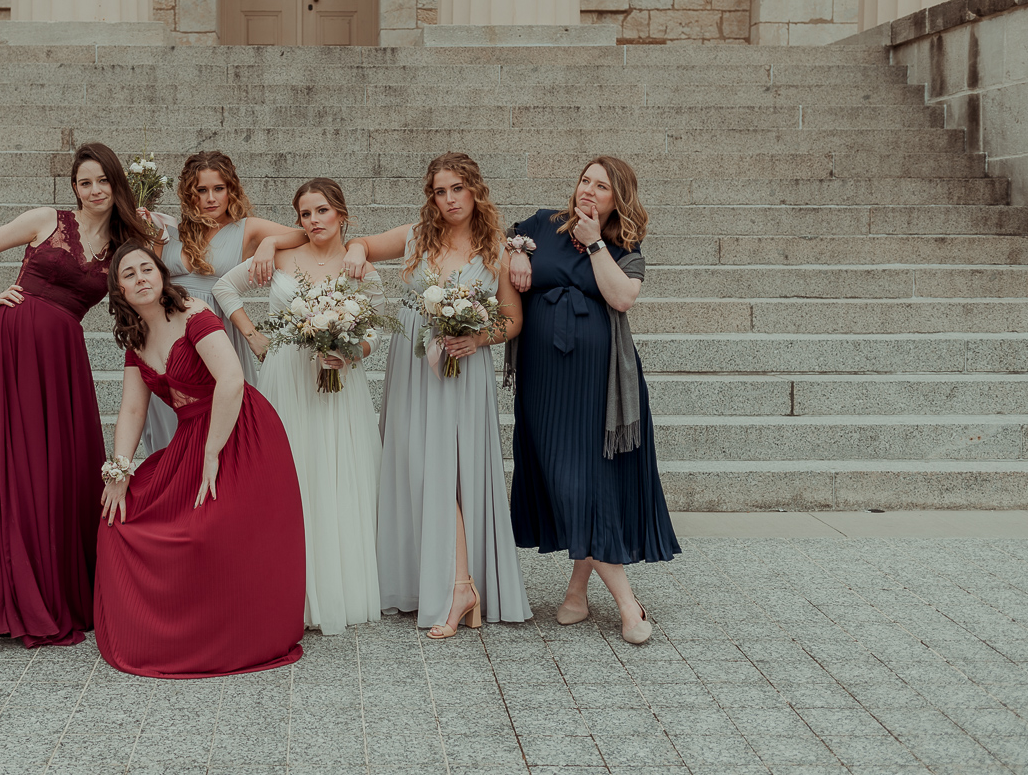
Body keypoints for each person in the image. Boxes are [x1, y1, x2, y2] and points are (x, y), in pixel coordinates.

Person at [0, 142, 149, 648]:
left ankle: (55, 588)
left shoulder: (123, 246)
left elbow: (156, 267)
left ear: (117, 185)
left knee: (58, 471)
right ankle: (12, 595)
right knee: (13, 469)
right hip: (7, 347)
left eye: (103, 181)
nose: (94, 190)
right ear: (74, 188)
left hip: (61, 359)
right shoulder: (46, 219)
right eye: (85, 182)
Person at [94, 243, 305, 677]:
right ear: (120, 290)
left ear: (161, 274)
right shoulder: (136, 339)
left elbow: (231, 379)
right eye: (129, 275)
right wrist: (118, 470)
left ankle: (228, 632)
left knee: (207, 530)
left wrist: (212, 454)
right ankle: (159, 630)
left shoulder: (193, 313)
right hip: (193, 434)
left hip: (240, 429)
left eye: (147, 269)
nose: (141, 278)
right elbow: (133, 410)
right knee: (123, 512)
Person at [343, 152, 531, 639]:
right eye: (440, 191)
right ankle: (433, 580)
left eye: (457, 189)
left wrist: (478, 338)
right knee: (417, 467)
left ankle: (460, 585)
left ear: (475, 191)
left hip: (460, 372)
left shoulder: (497, 252)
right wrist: (358, 253)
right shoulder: (413, 237)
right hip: (412, 369)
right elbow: (359, 242)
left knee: (447, 473)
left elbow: (512, 321)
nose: (449, 199)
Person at [506, 155, 680, 646]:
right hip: (544, 385)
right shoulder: (543, 224)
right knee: (569, 482)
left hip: (598, 388)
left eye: (601, 186)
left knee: (585, 485)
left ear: (616, 197)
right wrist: (517, 254)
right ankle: (578, 594)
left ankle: (624, 604)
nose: (589, 190)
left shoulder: (625, 244)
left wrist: (595, 243)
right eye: (585, 180)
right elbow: (503, 241)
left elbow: (621, 297)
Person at [212, 179, 384, 636]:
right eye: (306, 214)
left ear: (341, 214)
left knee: (335, 475)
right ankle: (287, 589)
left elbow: (374, 335)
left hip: (339, 383)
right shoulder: (281, 257)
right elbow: (225, 287)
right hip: (287, 376)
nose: (314, 221)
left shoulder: (360, 266)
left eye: (323, 211)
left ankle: (335, 589)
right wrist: (255, 338)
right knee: (293, 474)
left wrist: (350, 353)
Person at [140, 151, 306, 455]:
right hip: (170, 332)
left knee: (223, 420)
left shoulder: (248, 228)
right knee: (171, 424)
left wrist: (270, 243)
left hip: (217, 330)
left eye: (219, 188)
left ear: (231, 189)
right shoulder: (169, 231)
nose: (211, 198)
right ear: (190, 193)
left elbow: (308, 234)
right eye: (201, 190)